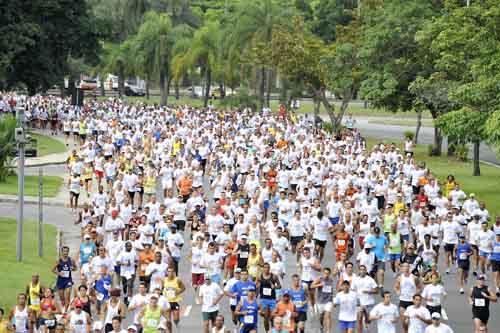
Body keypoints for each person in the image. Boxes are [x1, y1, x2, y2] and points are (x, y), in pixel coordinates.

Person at [351, 265, 378, 333]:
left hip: (369, 303)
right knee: (359, 318)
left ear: (366, 271)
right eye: (361, 269)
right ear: (359, 271)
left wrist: (368, 291)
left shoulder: (370, 279)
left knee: (368, 320)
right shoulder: (356, 279)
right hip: (359, 303)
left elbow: (376, 290)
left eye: (364, 270)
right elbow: (352, 290)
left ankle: (366, 326)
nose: (362, 271)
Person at [311, 267, 334, 333]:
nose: (326, 275)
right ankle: (321, 325)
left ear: (329, 274)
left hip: (328, 301)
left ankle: (328, 331)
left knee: (328, 315)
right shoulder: (320, 279)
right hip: (320, 301)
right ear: (323, 273)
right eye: (325, 273)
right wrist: (320, 285)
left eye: (328, 273)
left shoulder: (331, 280)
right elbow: (311, 286)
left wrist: (332, 300)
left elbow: (331, 290)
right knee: (321, 317)